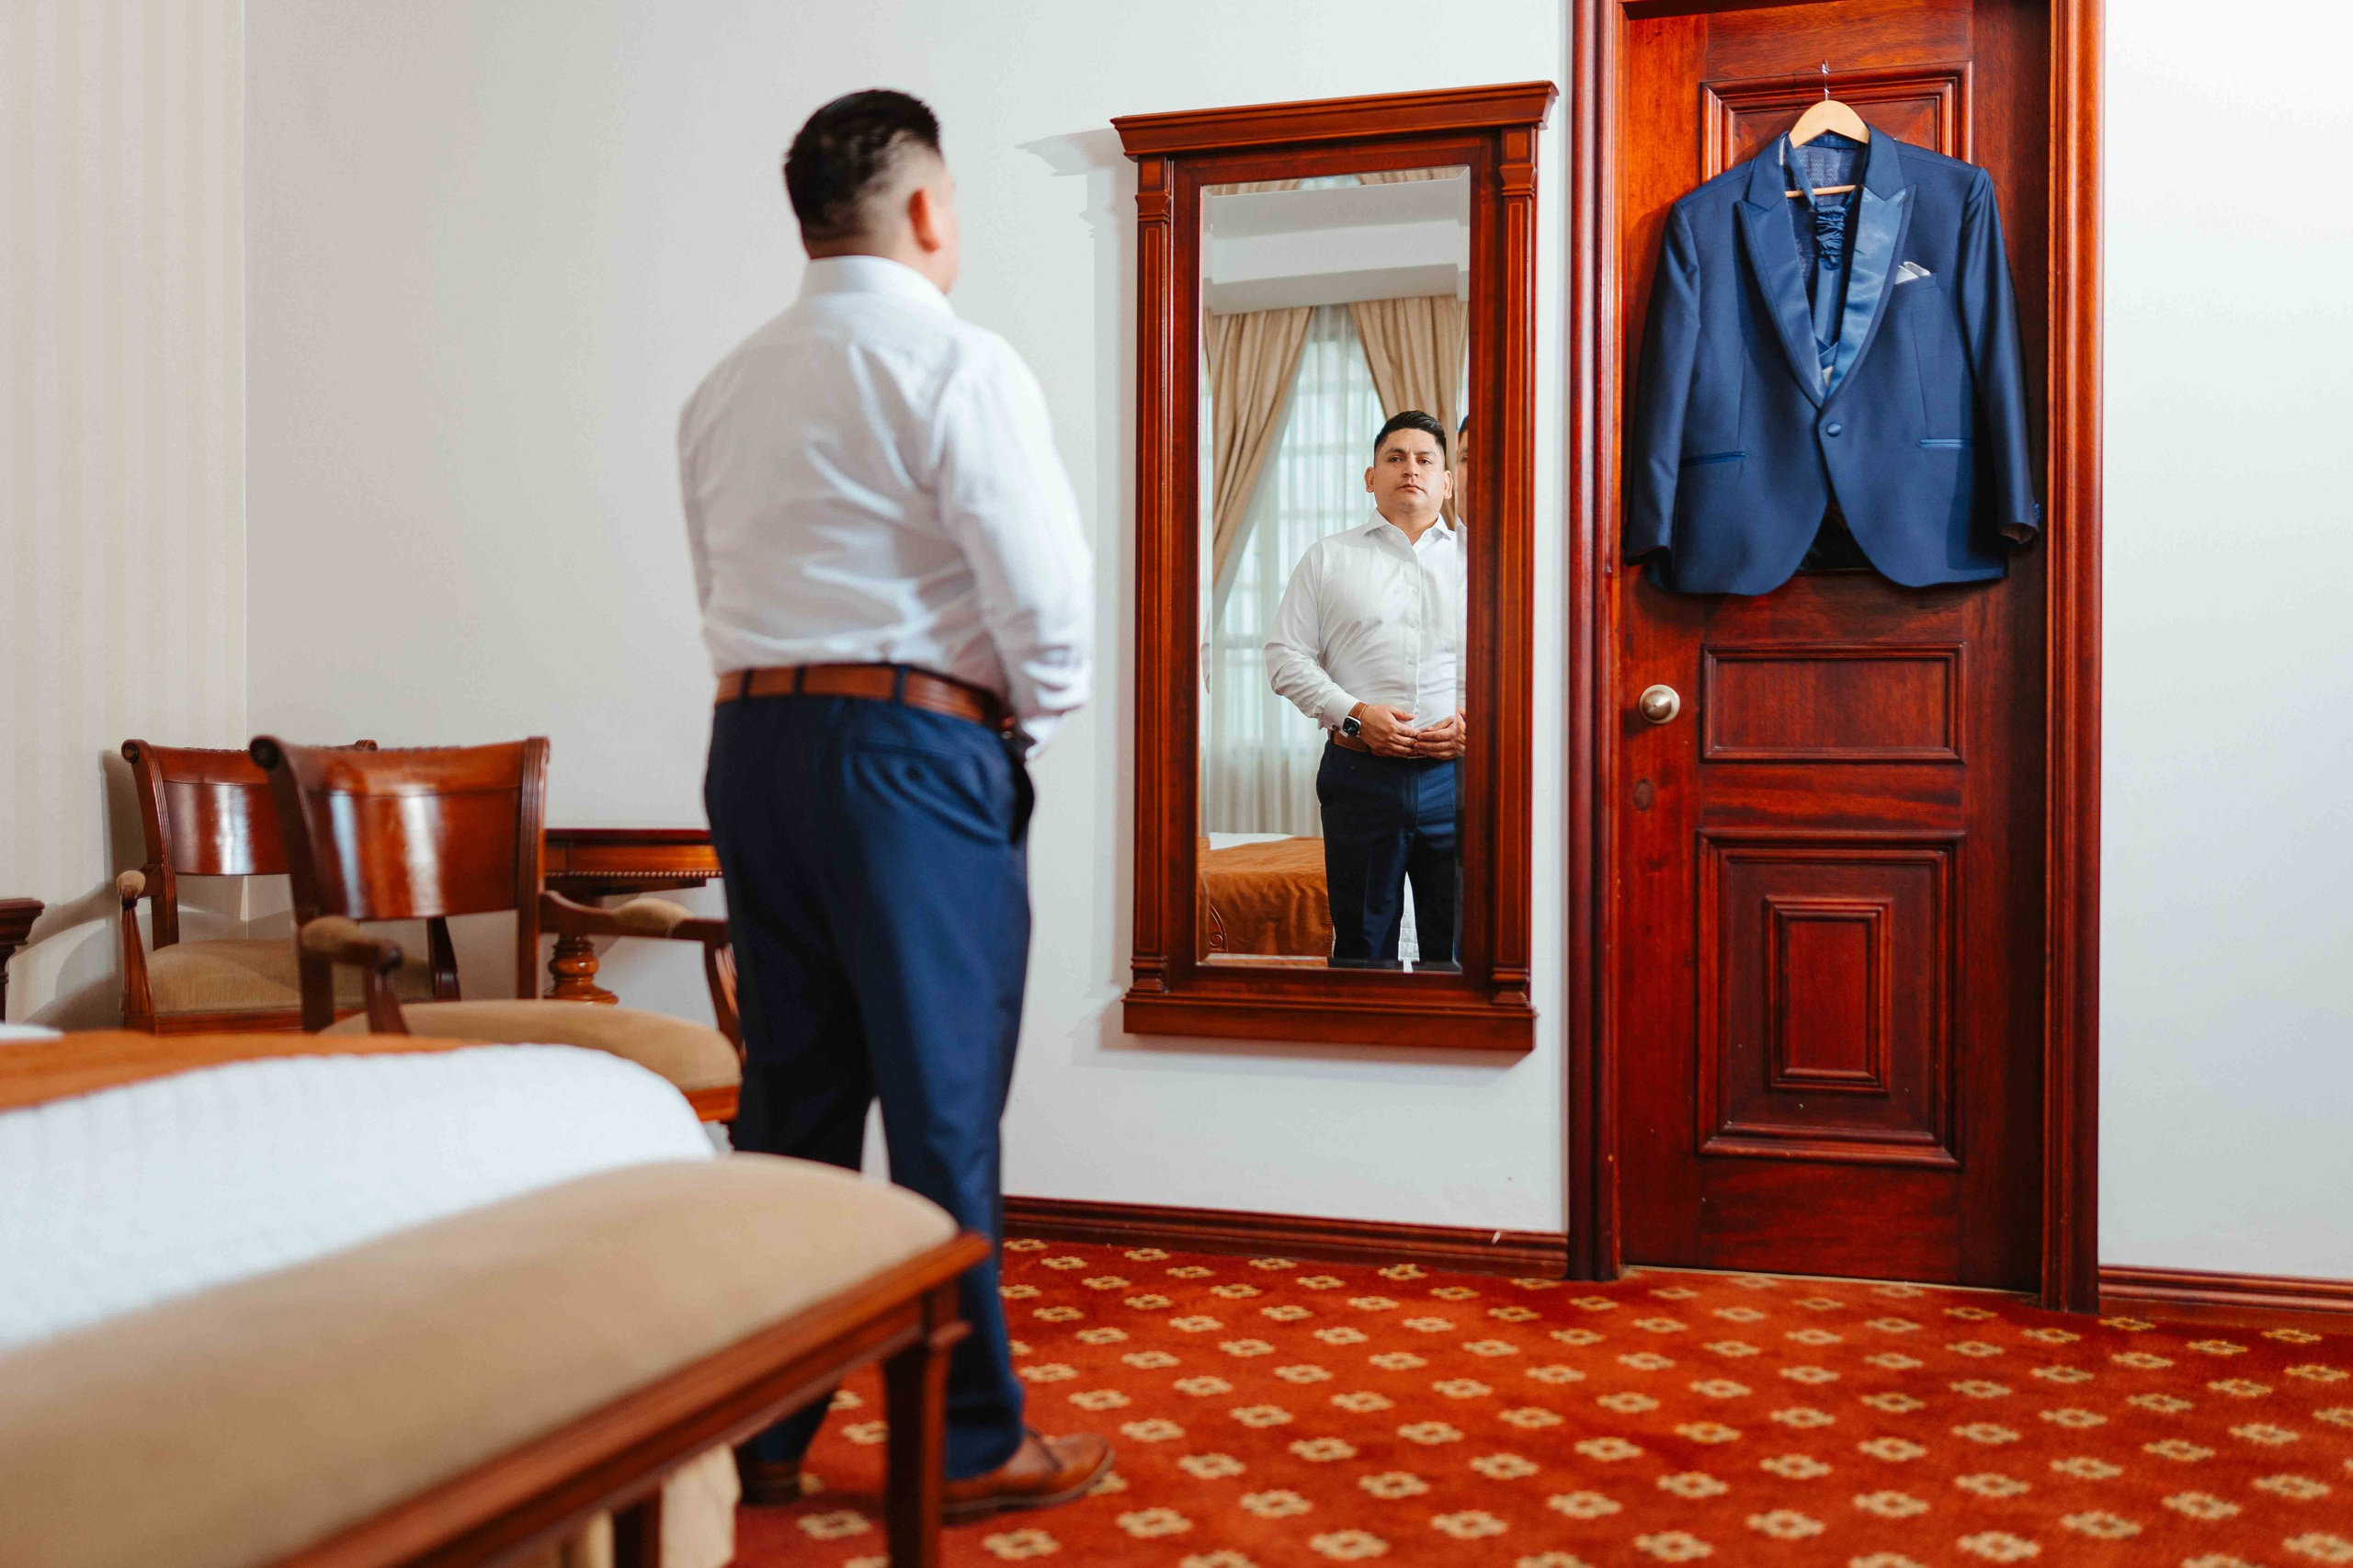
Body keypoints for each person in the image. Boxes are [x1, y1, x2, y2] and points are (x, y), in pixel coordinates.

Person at [679, 88, 1108, 1519]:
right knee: (940, 1105)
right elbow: (1045, 602)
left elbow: (718, 589)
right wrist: (1005, 738)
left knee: (794, 1099)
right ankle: (972, 1437)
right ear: (927, 210)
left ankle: (766, 1426)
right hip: (911, 751)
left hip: (750, 748)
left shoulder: (725, 385)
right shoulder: (954, 361)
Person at [1264, 410, 1467, 969]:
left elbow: (1514, 664)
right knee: (1360, 949)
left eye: (1426, 460)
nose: (1411, 470)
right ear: (1370, 477)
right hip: (1358, 776)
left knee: (1457, 956)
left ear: (1447, 481)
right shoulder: (1329, 558)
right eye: (1395, 458)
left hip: (1458, 780)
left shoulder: (1485, 561)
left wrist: (1474, 719)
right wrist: (1354, 716)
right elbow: (1284, 658)